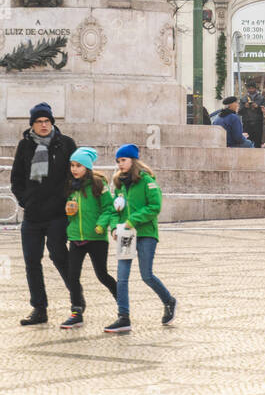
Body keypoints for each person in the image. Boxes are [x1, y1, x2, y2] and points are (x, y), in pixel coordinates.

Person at [10, 102, 77, 326]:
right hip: (33, 215)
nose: (43, 125)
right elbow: (16, 179)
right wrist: (25, 200)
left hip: (58, 214)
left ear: (52, 122)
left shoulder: (65, 144)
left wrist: (67, 201)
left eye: (47, 121)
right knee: (31, 261)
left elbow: (76, 175)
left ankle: (77, 303)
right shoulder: (24, 146)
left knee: (60, 257)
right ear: (32, 124)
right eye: (39, 122)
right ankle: (39, 308)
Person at [104, 144, 176, 334]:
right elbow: (114, 209)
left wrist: (131, 221)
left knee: (146, 275)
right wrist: (114, 227)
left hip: (145, 233)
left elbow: (154, 206)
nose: (120, 164)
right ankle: (123, 317)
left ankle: (168, 300)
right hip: (125, 233)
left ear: (133, 160)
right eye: (118, 161)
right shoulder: (119, 183)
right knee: (122, 276)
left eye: (123, 160)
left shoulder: (146, 181)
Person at [60, 147, 118, 329]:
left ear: (87, 167)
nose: (74, 169)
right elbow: (70, 211)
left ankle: (122, 303)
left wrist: (101, 225)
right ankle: (76, 312)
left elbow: (108, 208)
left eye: (78, 166)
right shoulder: (70, 185)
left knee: (102, 274)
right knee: (72, 275)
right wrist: (69, 214)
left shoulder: (98, 184)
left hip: (96, 238)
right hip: (76, 238)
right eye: (72, 165)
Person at [239, 81, 265, 148]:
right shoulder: (243, 99)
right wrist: (245, 107)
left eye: (252, 88)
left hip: (258, 124)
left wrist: (257, 107)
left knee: (257, 143)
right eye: (249, 88)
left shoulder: (261, 98)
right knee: (247, 143)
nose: (251, 90)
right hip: (247, 124)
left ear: (255, 89)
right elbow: (239, 112)